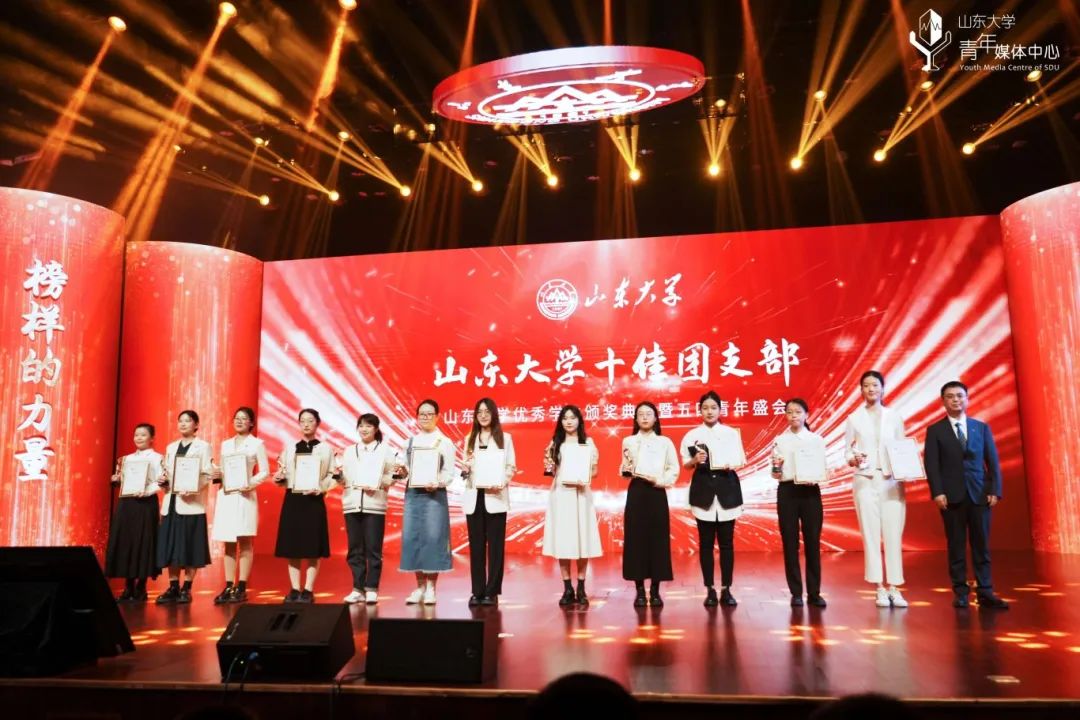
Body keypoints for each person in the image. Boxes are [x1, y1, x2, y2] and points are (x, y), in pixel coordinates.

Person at [923, 381, 1008, 609]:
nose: (956, 400)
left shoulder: (981, 428)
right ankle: (960, 592)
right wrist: (937, 492)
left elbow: (992, 462)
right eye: (950, 396)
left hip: (980, 494)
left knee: (982, 545)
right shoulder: (935, 431)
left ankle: (985, 591)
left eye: (960, 396)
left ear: (967, 399)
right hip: (951, 497)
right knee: (956, 546)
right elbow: (932, 465)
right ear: (943, 401)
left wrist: (995, 490)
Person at [844, 370, 909, 608]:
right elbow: (847, 451)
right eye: (866, 385)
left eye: (875, 385)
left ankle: (895, 587)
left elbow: (902, 447)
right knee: (870, 534)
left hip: (891, 481)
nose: (871, 389)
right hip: (865, 479)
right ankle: (879, 587)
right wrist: (852, 458)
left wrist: (906, 469)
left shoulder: (894, 416)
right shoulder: (854, 418)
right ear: (861, 390)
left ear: (883, 388)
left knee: (893, 534)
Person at [679, 391, 745, 607]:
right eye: (705, 408)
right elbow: (686, 464)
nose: (709, 411)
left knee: (727, 544)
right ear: (700, 410)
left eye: (713, 408)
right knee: (705, 544)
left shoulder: (730, 433)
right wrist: (694, 460)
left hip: (727, 489)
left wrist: (730, 463)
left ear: (720, 410)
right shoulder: (692, 435)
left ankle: (726, 589)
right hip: (703, 491)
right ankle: (709, 589)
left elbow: (740, 458)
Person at [273, 408, 335, 603]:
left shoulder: (325, 449)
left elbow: (332, 475)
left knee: (312, 547)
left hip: (314, 500)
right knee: (293, 546)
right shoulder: (290, 448)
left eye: (310, 421)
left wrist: (321, 488)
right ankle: (294, 588)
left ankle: (308, 589)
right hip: (293, 499)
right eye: (302, 421)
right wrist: (279, 478)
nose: (306, 424)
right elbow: (283, 473)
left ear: (317, 423)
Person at [542, 405, 601, 607]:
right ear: (560, 421)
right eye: (565, 418)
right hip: (561, 494)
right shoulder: (555, 443)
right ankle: (567, 587)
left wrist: (584, 476)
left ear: (579, 421)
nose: (569, 421)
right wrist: (548, 464)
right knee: (564, 540)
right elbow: (551, 470)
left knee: (582, 539)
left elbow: (594, 471)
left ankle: (581, 586)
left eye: (573, 418)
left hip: (581, 494)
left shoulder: (588, 443)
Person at [620, 401, 678, 607]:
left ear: (655, 418)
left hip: (656, 492)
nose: (644, 417)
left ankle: (655, 590)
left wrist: (659, 480)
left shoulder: (664, 442)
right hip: (636, 491)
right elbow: (624, 467)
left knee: (658, 539)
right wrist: (626, 469)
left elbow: (673, 468)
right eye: (641, 414)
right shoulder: (629, 441)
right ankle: (639, 590)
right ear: (636, 419)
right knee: (635, 540)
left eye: (649, 414)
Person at [337, 412, 400, 605]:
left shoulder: (385, 451)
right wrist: (338, 476)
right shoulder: (349, 451)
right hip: (351, 504)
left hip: (375, 505)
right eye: (361, 425)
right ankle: (357, 588)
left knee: (373, 549)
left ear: (376, 429)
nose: (364, 429)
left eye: (368, 426)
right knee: (355, 549)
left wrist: (378, 483)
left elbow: (392, 476)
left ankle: (371, 588)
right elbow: (344, 479)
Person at [770, 398, 827, 608]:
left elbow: (823, 468)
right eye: (790, 412)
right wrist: (776, 468)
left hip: (810, 492)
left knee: (812, 542)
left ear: (806, 415)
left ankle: (814, 592)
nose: (794, 415)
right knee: (790, 543)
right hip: (788, 492)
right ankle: (796, 593)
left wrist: (816, 477)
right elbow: (775, 473)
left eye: (798, 412)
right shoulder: (780, 441)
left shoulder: (816, 440)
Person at [398, 399, 455, 605]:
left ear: (437, 417)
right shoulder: (409, 442)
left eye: (430, 414)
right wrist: (401, 471)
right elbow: (405, 470)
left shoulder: (444, 442)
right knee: (413, 539)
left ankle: (431, 588)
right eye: (422, 414)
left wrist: (437, 483)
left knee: (433, 539)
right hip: (413, 495)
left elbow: (449, 473)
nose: (425, 417)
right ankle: (420, 587)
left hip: (434, 496)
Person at [210, 406, 269, 604]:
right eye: (237, 418)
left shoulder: (257, 444)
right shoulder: (226, 444)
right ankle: (228, 585)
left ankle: (241, 586)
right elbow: (223, 469)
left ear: (251, 423)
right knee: (228, 542)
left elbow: (264, 471)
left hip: (245, 496)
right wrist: (217, 473)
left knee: (244, 541)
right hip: (227, 496)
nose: (239, 421)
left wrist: (249, 483)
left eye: (244, 418)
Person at [462, 398, 515, 607]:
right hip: (474, 497)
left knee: (495, 548)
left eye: (487, 411)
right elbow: (466, 466)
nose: (483, 415)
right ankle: (477, 591)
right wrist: (465, 470)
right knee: (476, 547)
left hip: (495, 496)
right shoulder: (469, 438)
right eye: (479, 412)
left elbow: (510, 467)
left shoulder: (505, 438)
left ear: (493, 414)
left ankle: (492, 592)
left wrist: (500, 482)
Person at [156, 410, 212, 605]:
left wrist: (193, 487)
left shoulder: (203, 446)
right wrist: (163, 481)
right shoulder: (171, 447)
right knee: (170, 546)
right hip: (171, 502)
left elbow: (207, 474)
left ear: (196, 425)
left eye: (188, 421)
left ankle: (187, 588)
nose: (183, 424)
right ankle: (173, 586)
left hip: (191, 503)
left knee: (190, 546)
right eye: (180, 421)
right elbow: (168, 472)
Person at [105, 423, 163, 603]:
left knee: (144, 542)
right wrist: (117, 479)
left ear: (152, 438)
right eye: (136, 435)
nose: (139, 438)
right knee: (127, 542)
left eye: (143, 435)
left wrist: (147, 491)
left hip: (145, 503)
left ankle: (141, 586)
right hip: (127, 503)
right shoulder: (126, 459)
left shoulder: (157, 458)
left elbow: (161, 481)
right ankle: (128, 586)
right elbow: (123, 480)